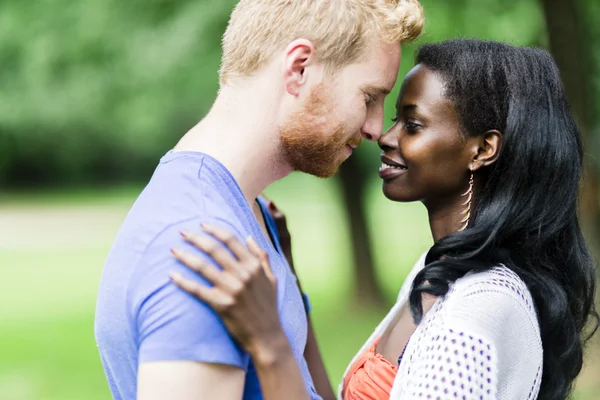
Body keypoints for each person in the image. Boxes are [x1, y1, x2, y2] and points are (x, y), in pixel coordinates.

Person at [170, 39, 599, 400]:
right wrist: (290, 284)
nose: (385, 136)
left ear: (482, 149)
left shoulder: (474, 317)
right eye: (394, 118)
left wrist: (269, 344)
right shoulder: (438, 270)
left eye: (412, 124)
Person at [93, 0, 424, 399]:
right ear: (299, 67)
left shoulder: (246, 213)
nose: (376, 127)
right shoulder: (201, 248)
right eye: (370, 96)